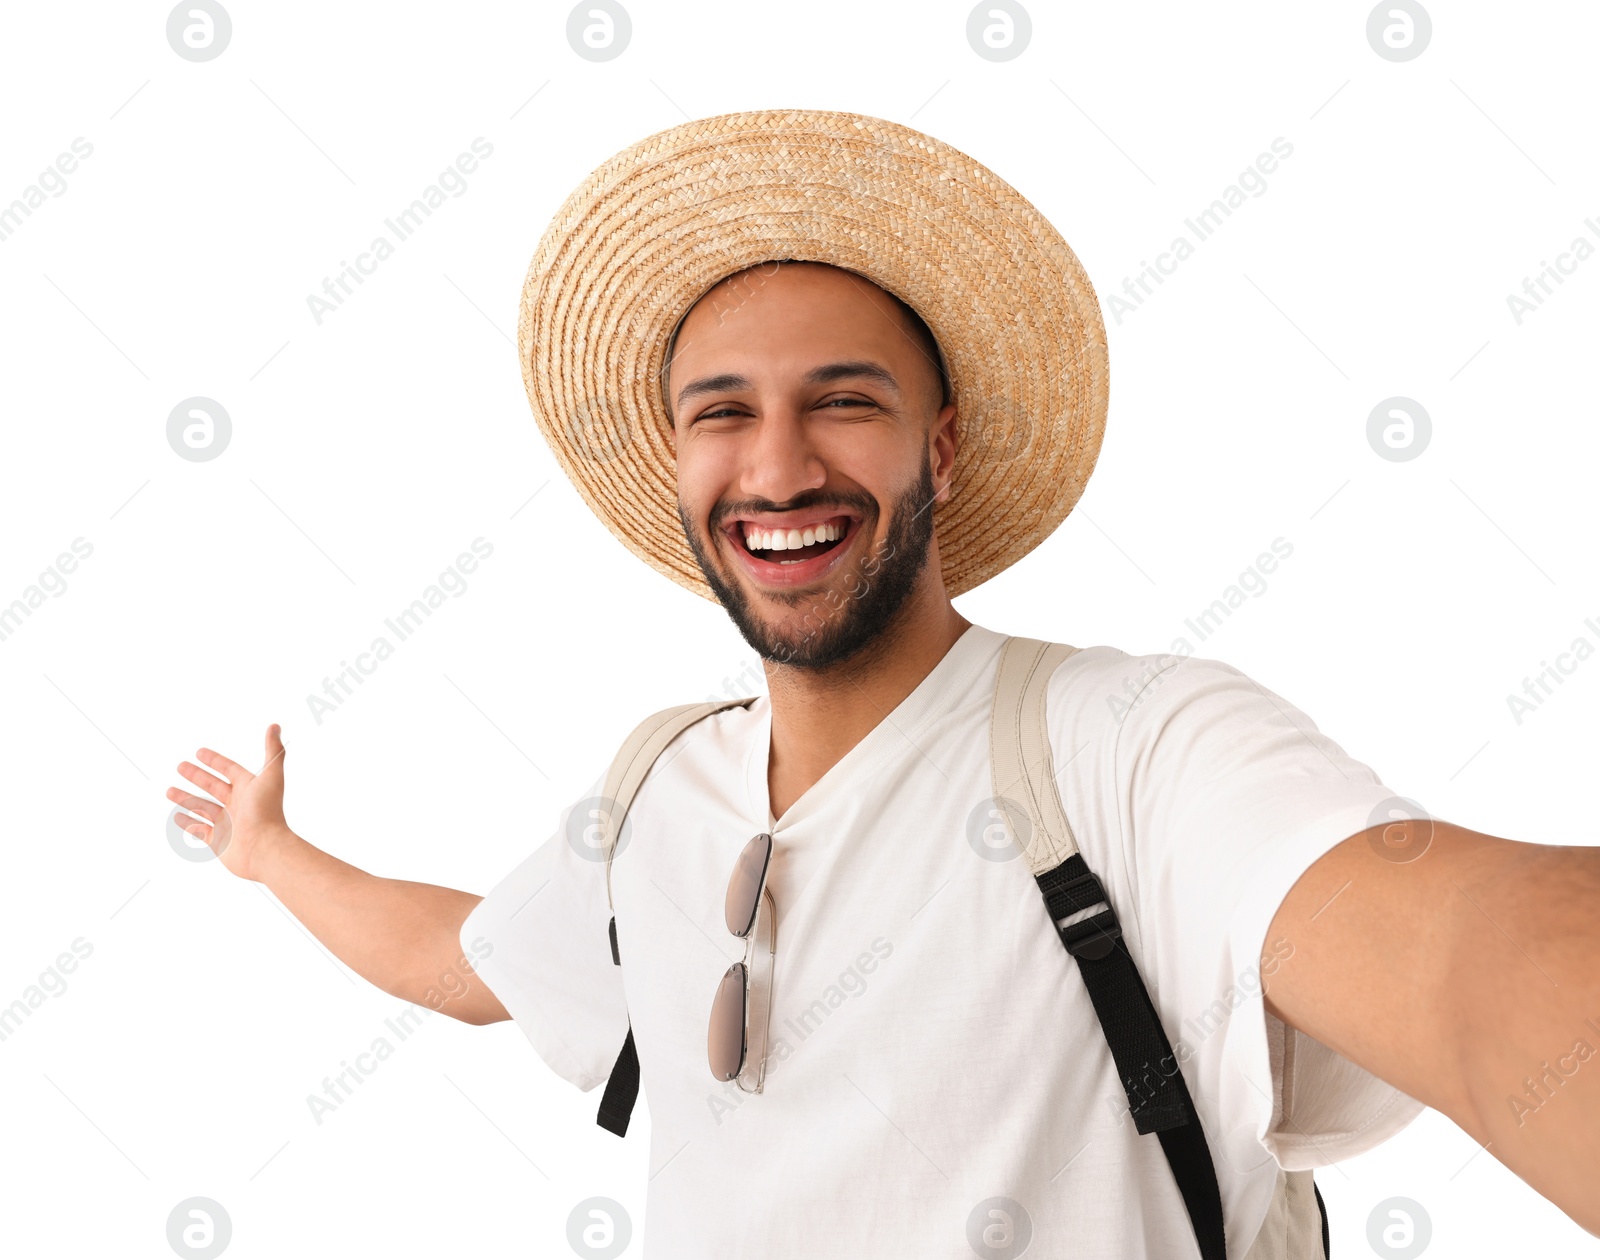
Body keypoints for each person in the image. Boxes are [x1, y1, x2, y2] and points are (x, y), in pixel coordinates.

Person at [166, 111, 1600, 1258]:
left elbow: (1476, 954)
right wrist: (272, 853)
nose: (778, 467)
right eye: (722, 413)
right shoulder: (658, 782)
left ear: (946, 449)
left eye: (844, 402)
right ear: (677, 466)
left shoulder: (1129, 746)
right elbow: (465, 960)